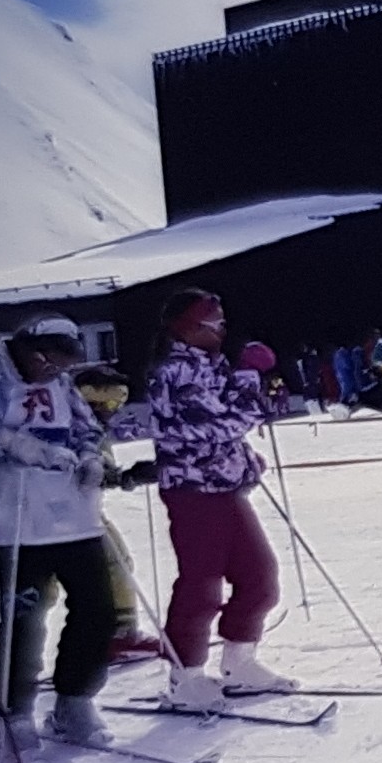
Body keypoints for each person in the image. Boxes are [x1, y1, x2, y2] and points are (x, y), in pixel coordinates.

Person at [0, 314, 116, 749]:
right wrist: (11, 443)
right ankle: (15, 709)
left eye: (63, 363)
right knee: (25, 617)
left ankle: (75, 699)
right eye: (49, 360)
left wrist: (91, 456)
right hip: (15, 518)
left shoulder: (60, 383)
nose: (53, 370)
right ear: (29, 349)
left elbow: (85, 428)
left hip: (72, 514)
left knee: (97, 609)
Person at [147, 289, 296, 709]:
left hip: (224, 487)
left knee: (259, 575)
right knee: (201, 584)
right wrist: (249, 379)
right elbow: (220, 425)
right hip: (193, 491)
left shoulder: (211, 365)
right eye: (216, 324)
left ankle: (240, 662)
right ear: (189, 329)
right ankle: (185, 676)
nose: (223, 330)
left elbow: (246, 416)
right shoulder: (174, 373)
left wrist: (245, 460)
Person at [71, 367, 162, 663]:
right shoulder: (74, 427)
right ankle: (118, 635)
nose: (112, 412)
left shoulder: (92, 429)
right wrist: (127, 477)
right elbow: (83, 473)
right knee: (112, 565)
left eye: (117, 405)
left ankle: (114, 632)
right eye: (107, 404)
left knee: (115, 562)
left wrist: (130, 475)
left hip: (82, 510)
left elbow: (102, 470)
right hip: (68, 515)